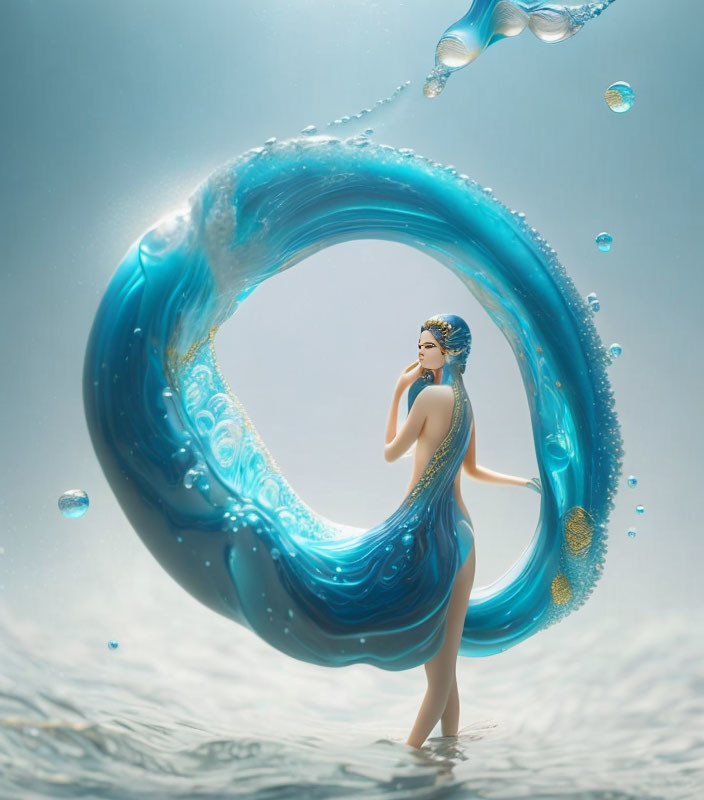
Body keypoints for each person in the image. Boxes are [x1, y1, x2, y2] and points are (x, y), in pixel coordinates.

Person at [383, 314, 538, 749]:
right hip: (461, 534)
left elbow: (391, 452)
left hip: (436, 537)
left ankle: (411, 756)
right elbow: (473, 469)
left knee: (438, 667)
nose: (420, 353)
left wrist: (397, 392)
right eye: (419, 346)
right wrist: (522, 481)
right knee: (445, 666)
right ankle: (448, 758)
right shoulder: (465, 402)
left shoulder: (430, 398)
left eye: (427, 347)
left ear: (450, 352)